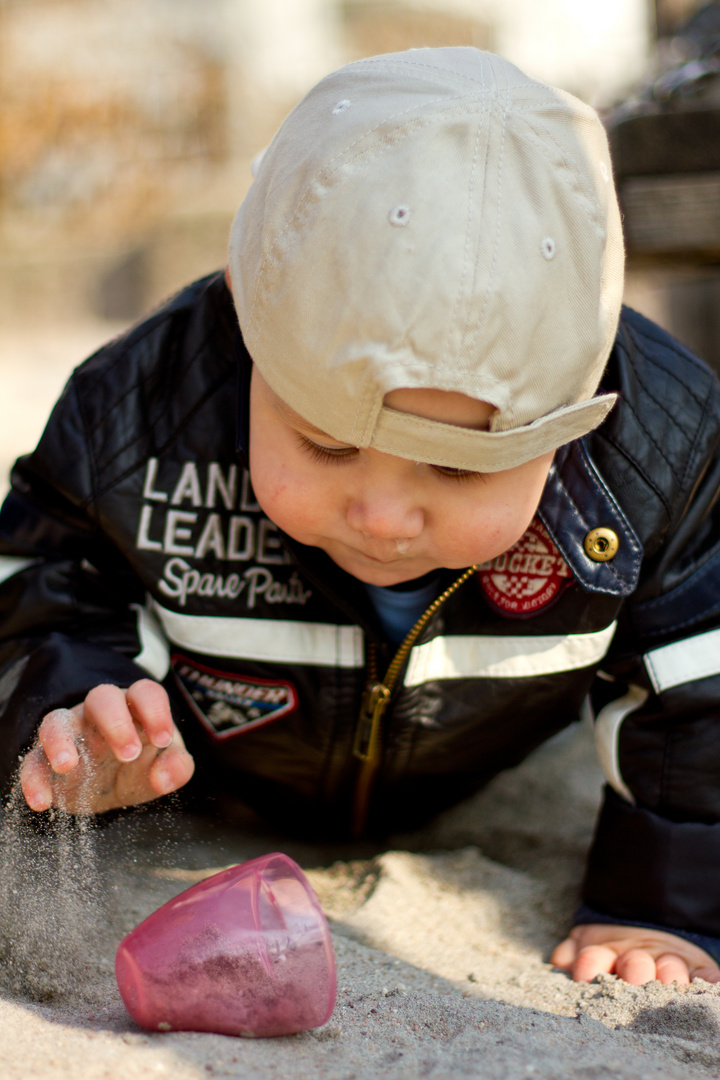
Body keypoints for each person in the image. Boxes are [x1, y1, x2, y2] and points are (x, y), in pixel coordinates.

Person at [1, 47, 719, 988]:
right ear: (247, 331)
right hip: (222, 774)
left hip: (466, 766)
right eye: (327, 445)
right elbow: (43, 574)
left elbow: (700, 686)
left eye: (461, 471)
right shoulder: (140, 411)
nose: (382, 516)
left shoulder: (659, 447)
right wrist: (76, 703)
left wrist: (659, 904)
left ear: (567, 428)